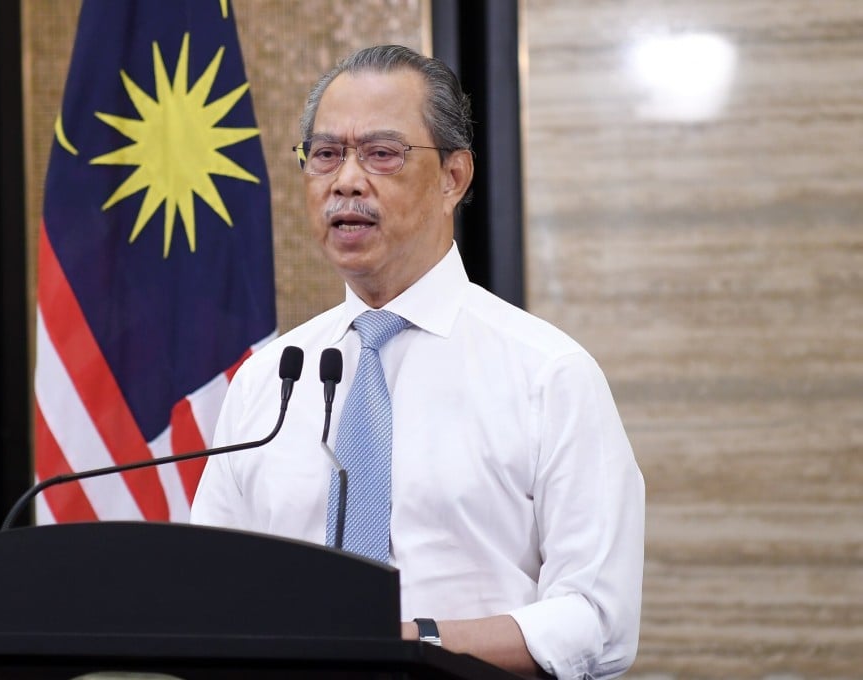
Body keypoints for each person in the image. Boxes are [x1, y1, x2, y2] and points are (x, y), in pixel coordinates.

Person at [191, 45, 644, 679]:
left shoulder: (548, 374)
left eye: (381, 153)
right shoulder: (270, 381)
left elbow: (599, 620)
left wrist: (410, 643)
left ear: (453, 178)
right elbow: (210, 594)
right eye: (325, 154)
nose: (345, 180)